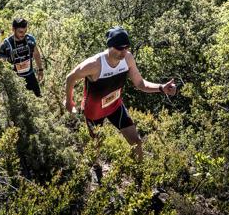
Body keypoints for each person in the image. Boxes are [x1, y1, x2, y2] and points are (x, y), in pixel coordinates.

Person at [65, 26, 176, 162]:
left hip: (115, 106)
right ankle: (96, 168)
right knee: (96, 145)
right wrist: (69, 101)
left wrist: (161, 88)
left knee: (137, 142)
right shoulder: (95, 64)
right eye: (119, 48)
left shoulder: (128, 59)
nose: (123, 52)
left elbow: (140, 84)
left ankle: (140, 173)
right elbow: (70, 78)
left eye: (126, 47)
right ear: (110, 46)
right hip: (94, 112)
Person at [0, 18, 44, 97]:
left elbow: (36, 54)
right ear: (13, 29)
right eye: (20, 32)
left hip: (30, 75)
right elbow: (1, 64)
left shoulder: (30, 39)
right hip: (16, 79)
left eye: (25, 31)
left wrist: (40, 69)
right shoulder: (6, 44)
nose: (23, 34)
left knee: (39, 97)